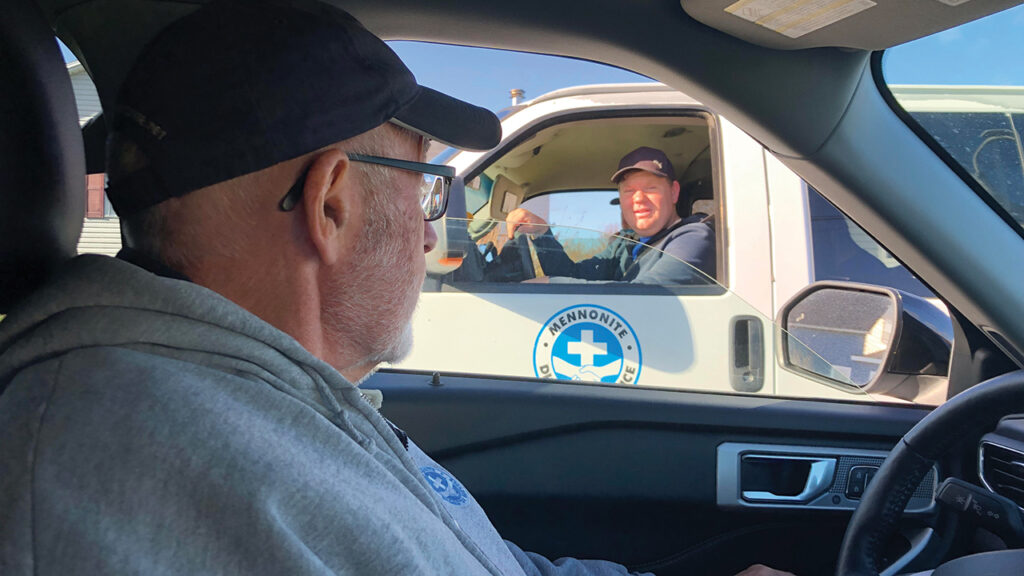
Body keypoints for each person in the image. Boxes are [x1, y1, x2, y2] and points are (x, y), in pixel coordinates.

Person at [0, 2, 791, 574]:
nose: (426, 229)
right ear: (333, 203)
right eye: (424, 185)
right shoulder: (121, 466)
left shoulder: (266, 400)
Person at [500, 146, 715, 285]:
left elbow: (649, 295)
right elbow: (576, 274)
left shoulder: (694, 238)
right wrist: (543, 232)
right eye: (629, 191)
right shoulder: (626, 245)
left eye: (650, 188)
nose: (638, 199)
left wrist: (552, 283)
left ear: (674, 192)